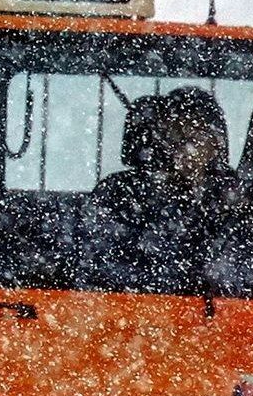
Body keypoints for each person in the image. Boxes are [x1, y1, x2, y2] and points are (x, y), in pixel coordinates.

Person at [86, 86, 237, 285]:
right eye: (173, 135)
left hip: (223, 311)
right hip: (128, 310)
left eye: (194, 137)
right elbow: (96, 267)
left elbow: (245, 272)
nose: (182, 146)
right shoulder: (118, 193)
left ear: (216, 144)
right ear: (158, 139)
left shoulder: (235, 198)